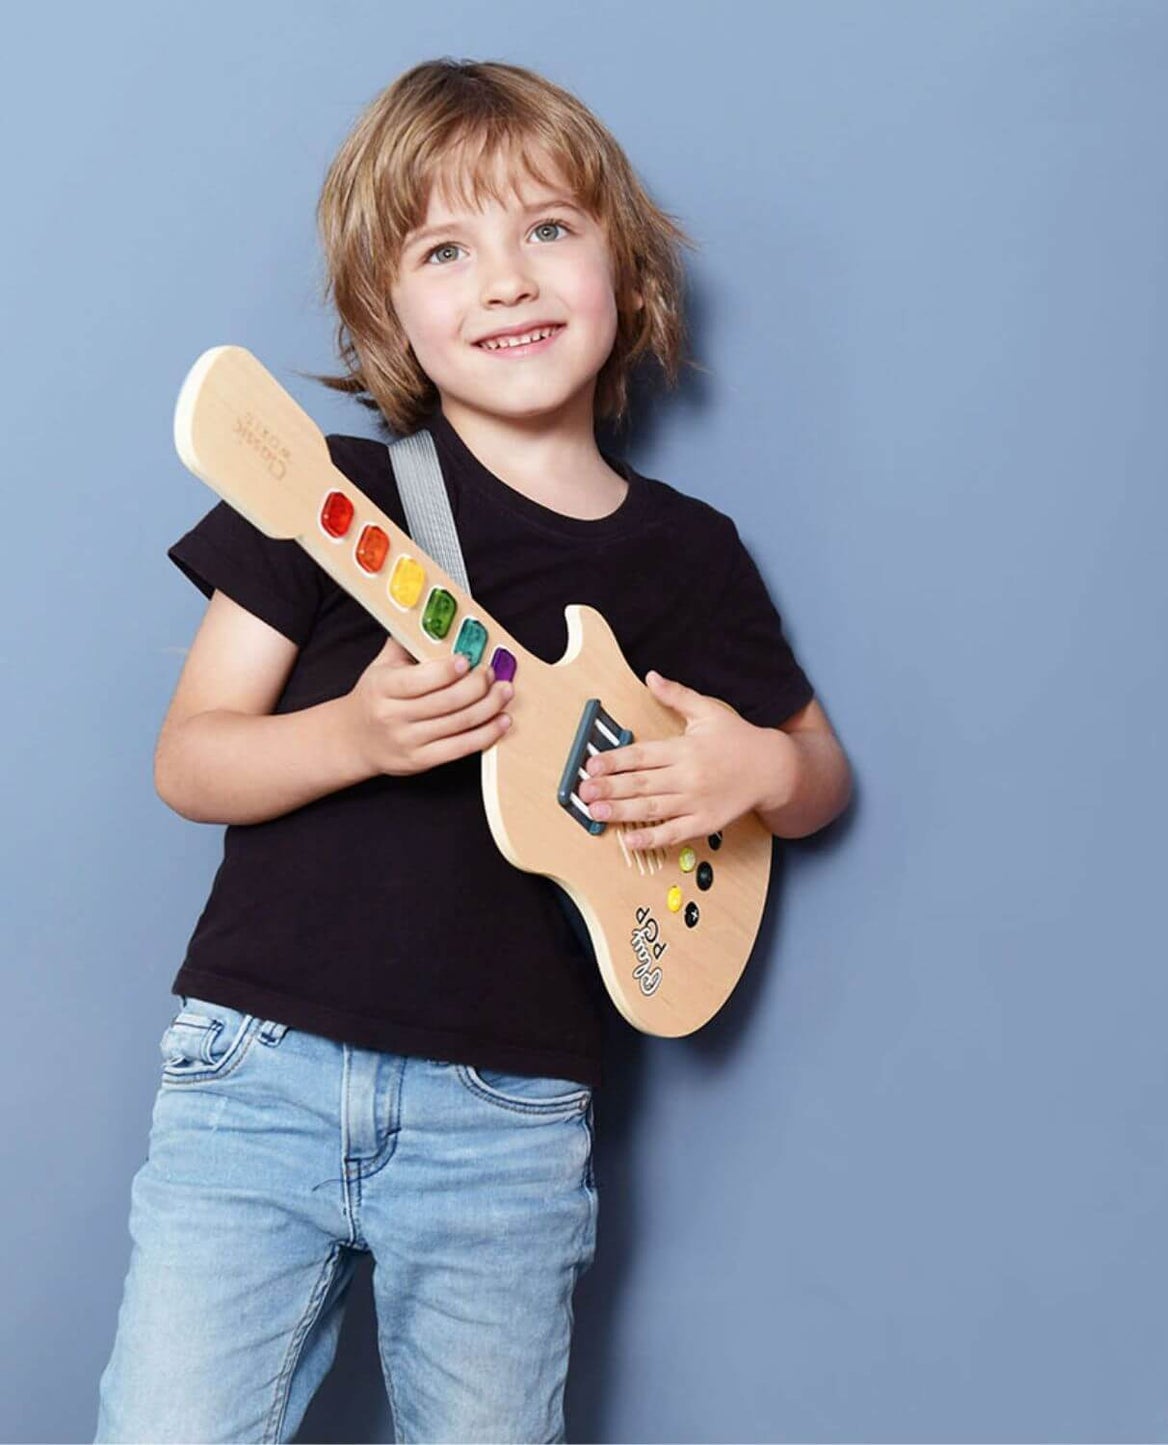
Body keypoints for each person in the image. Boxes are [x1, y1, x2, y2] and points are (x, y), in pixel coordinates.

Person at [94, 56, 851, 1444]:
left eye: (547, 229)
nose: (504, 279)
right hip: (253, 1077)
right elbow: (190, 760)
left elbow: (815, 775)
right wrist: (355, 733)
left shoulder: (686, 555)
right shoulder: (331, 500)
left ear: (623, 267)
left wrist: (753, 772)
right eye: (446, 248)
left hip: (506, 1119)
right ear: (390, 309)